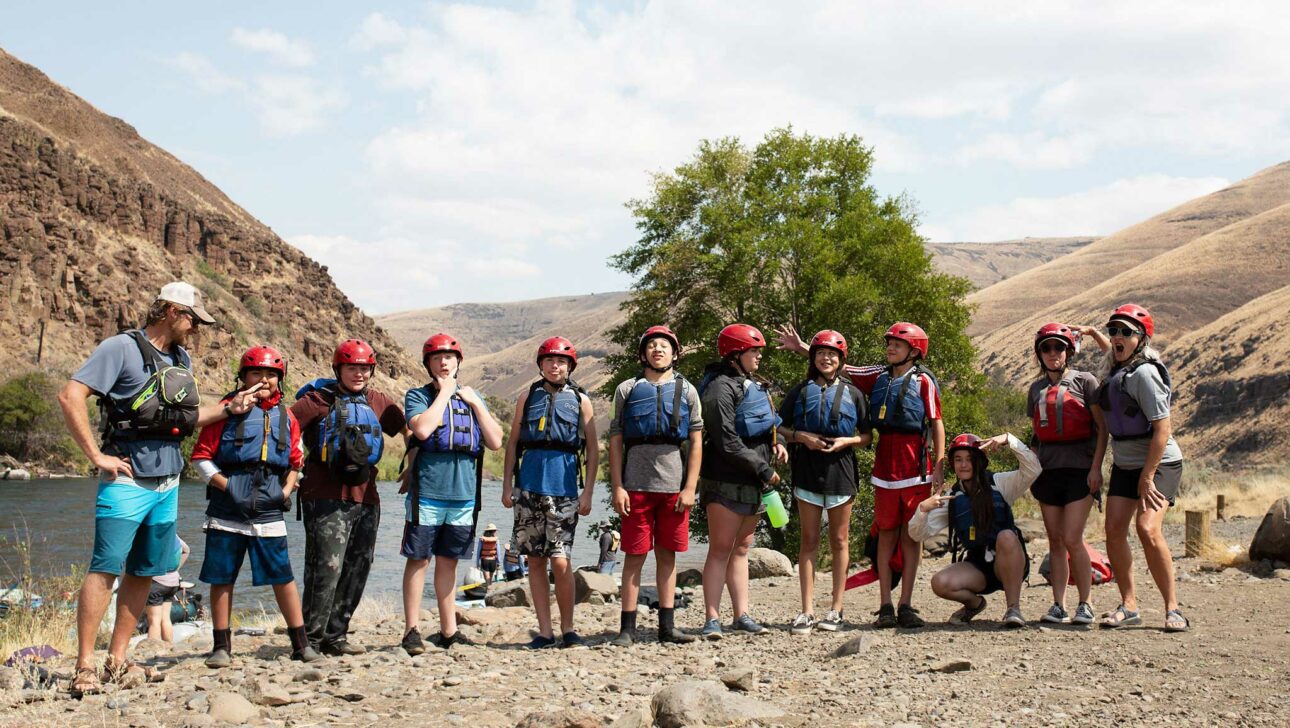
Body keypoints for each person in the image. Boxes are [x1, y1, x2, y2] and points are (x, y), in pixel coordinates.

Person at [57, 282, 264, 695]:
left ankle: (117, 660)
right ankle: (84, 665)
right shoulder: (120, 348)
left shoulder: (180, 358)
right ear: (170, 311)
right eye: (191, 318)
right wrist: (96, 456)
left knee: (142, 571)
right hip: (127, 479)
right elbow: (70, 395)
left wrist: (229, 408)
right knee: (105, 567)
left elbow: (185, 418)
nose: (195, 327)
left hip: (168, 481)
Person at [777, 322, 945, 628]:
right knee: (885, 534)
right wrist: (806, 348)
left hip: (914, 467)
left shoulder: (923, 382)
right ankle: (885, 606)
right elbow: (842, 363)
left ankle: (904, 604)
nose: (890, 347)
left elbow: (936, 422)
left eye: (897, 344)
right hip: (884, 468)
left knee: (910, 536)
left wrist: (940, 464)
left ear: (914, 350)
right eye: (889, 343)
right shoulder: (878, 376)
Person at [191, 346, 322, 666]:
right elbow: (201, 458)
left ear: (280, 380)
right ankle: (221, 647)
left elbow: (295, 461)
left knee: (282, 575)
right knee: (222, 577)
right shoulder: (225, 409)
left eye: (271, 375)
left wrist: (285, 491)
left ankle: (300, 644)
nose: (264, 380)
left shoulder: (286, 417)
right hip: (226, 505)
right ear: (243, 377)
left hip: (268, 504)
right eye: (256, 373)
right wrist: (227, 485)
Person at [292, 339, 407, 656]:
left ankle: (336, 636)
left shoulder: (378, 401)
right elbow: (286, 427)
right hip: (324, 495)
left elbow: (406, 428)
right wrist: (292, 471)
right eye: (351, 367)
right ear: (338, 369)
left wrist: (410, 464)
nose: (358, 373)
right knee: (325, 568)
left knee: (359, 565)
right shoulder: (318, 400)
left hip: (367, 496)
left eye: (364, 368)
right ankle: (310, 640)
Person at [400, 333, 504, 653]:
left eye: (449, 357)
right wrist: (445, 393)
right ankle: (412, 630)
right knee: (419, 560)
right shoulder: (417, 395)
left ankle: (448, 631)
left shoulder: (475, 397)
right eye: (436, 358)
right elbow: (422, 429)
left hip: (464, 497)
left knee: (449, 563)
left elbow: (496, 440)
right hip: (428, 493)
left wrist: (474, 403)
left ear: (459, 361)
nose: (443, 362)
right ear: (429, 364)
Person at [607, 325, 703, 646]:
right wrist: (617, 487)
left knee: (667, 556)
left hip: (674, 488)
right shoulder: (626, 390)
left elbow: (696, 442)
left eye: (663, 345)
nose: (657, 350)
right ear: (642, 353)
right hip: (635, 487)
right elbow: (616, 441)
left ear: (674, 353)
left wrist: (690, 488)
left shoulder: (688, 391)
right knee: (634, 555)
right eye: (651, 346)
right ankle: (627, 628)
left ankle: (667, 626)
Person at [1096, 304, 1189, 632]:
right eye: (1113, 331)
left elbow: (1162, 429)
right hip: (1125, 463)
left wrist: (1147, 478)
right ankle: (1129, 604)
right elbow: (1112, 353)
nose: (1117, 337)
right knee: (1113, 530)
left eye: (1126, 332)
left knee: (1147, 529)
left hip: (1160, 463)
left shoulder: (1146, 374)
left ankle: (1173, 608)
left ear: (1142, 339)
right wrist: (1096, 336)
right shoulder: (1117, 365)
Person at [501, 336, 598, 648]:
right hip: (528, 486)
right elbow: (513, 442)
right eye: (549, 361)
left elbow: (594, 450)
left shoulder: (581, 400)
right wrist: (507, 485)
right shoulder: (527, 397)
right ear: (541, 365)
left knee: (560, 560)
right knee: (534, 560)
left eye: (561, 361)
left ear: (570, 366)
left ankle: (569, 628)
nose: (555, 366)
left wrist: (588, 493)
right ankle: (545, 631)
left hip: (565, 488)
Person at [776, 330, 870, 634]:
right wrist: (800, 437)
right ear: (813, 357)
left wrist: (847, 441)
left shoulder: (854, 393)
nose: (826, 358)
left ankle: (836, 609)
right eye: (820, 353)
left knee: (840, 541)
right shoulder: (799, 392)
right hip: (807, 471)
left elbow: (867, 436)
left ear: (841, 359)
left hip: (841, 471)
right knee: (809, 541)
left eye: (832, 354)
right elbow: (778, 426)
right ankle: (806, 611)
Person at [697, 324, 786, 640]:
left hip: (753, 478)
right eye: (754, 351)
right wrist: (763, 469)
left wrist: (778, 444)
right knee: (721, 548)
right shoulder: (720, 388)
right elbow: (727, 440)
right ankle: (711, 618)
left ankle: (741, 614)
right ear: (735, 354)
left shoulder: (750, 384)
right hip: (726, 477)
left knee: (742, 548)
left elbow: (764, 426)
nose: (759, 356)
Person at [908, 433, 1041, 627]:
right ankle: (975, 604)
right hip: (978, 567)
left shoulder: (1000, 483)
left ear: (980, 461)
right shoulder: (951, 498)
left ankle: (1013, 609)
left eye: (970, 459)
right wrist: (922, 509)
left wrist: (1009, 439)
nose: (963, 465)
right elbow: (917, 534)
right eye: (958, 460)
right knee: (940, 583)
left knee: (1006, 536)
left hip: (1009, 560)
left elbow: (1034, 469)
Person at [1027, 323, 1110, 626]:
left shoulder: (1086, 382)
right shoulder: (1035, 389)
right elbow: (1036, 435)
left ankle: (1085, 604)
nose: (1052, 353)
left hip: (1080, 471)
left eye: (1058, 347)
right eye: (1046, 348)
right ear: (1040, 354)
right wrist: (1029, 471)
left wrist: (1096, 468)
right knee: (1055, 541)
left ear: (1069, 351)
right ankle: (1058, 605)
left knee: (1073, 538)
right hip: (1048, 472)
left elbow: (1102, 429)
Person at [144, 536, 189, 643]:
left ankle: (152, 650)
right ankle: (168, 647)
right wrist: (176, 569)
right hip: (173, 581)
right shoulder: (172, 532)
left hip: (156, 581)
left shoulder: (150, 533)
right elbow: (186, 550)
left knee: (154, 621)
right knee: (165, 619)